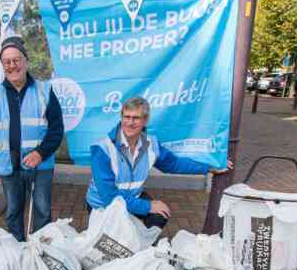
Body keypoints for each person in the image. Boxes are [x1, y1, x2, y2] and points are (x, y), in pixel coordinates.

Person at [85, 96, 232, 229]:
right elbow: (110, 198)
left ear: (145, 120)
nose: (130, 123)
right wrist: (147, 206)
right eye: (126, 117)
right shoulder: (102, 149)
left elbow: (174, 164)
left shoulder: (151, 144)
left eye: (136, 118)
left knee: (160, 215)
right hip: (103, 206)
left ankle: (143, 252)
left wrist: (208, 167)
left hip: (131, 198)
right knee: (114, 241)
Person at [0, 36, 64, 242]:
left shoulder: (45, 91)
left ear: (25, 61)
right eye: (7, 62)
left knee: (43, 211)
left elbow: (56, 129)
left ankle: (40, 251)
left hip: (40, 166)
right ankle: (16, 250)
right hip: (8, 167)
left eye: (16, 60)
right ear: (2, 65)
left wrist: (40, 153)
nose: (12, 65)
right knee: (13, 212)